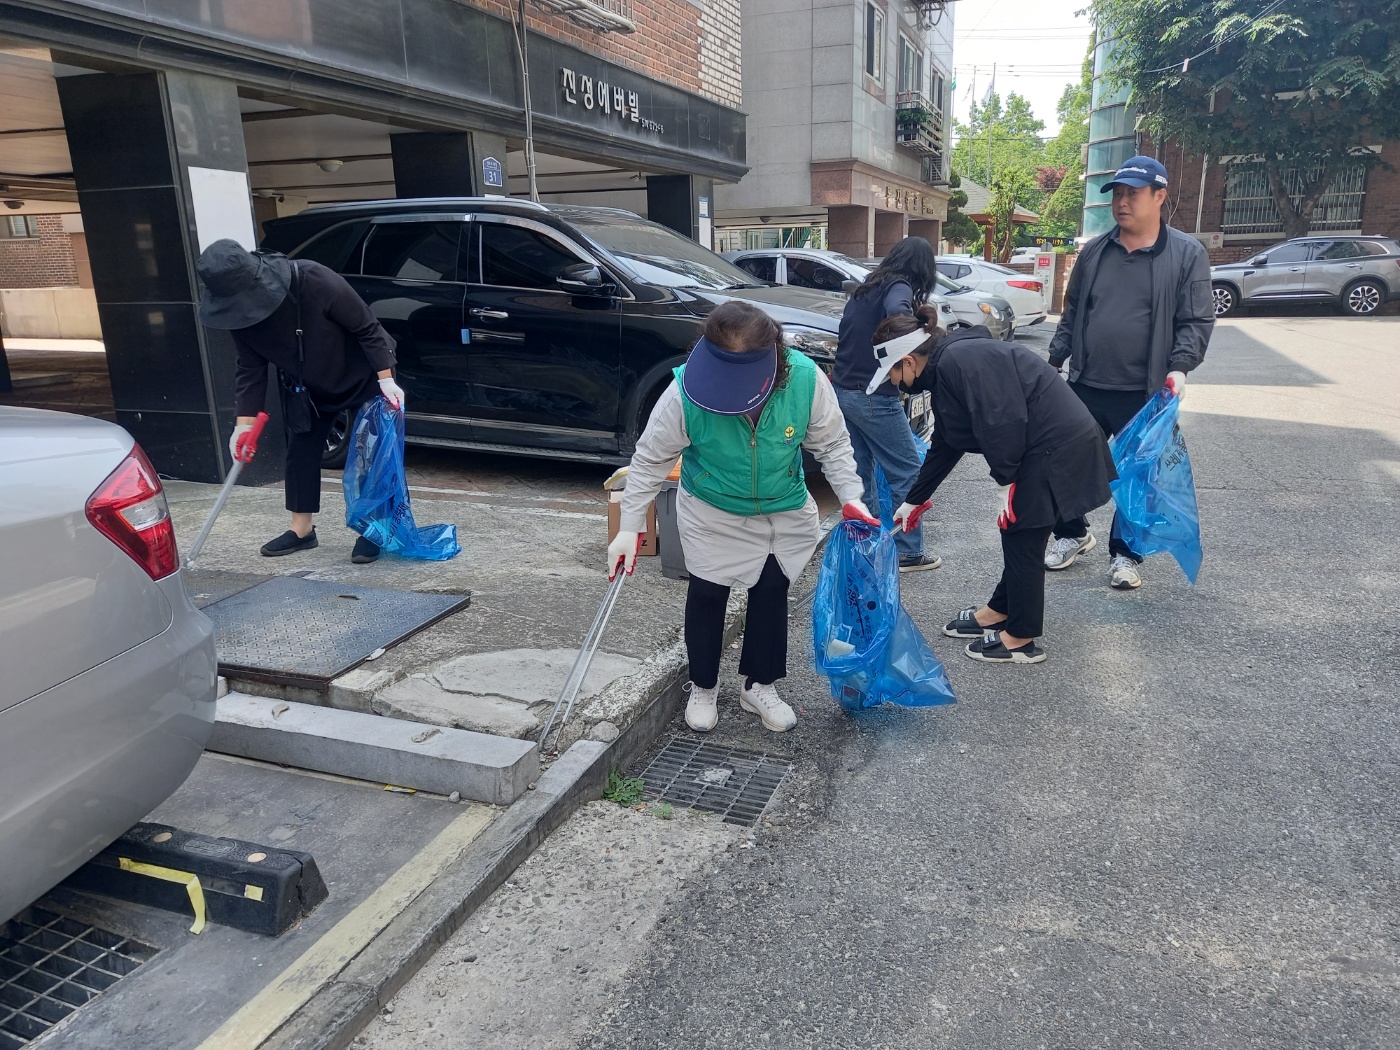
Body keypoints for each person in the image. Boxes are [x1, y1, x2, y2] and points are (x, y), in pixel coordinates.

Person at [608, 301, 875, 733]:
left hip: (782, 508)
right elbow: (650, 462)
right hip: (712, 508)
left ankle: (759, 685)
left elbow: (833, 446)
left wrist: (851, 496)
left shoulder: (805, 380)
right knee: (708, 593)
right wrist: (628, 528)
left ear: (773, 358)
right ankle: (703, 686)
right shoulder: (683, 393)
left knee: (772, 589)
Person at [875, 310, 1116, 665]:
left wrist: (1007, 479)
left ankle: (1021, 636)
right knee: (1018, 536)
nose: (896, 383)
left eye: (893, 373)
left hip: (1053, 446)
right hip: (1038, 446)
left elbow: (1003, 420)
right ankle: (1000, 609)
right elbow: (947, 442)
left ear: (908, 361)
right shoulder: (947, 366)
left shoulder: (962, 360)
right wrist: (915, 499)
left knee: (1022, 534)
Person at [1044, 156, 1215, 589]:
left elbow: (1195, 320)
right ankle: (1072, 532)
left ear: (1159, 196)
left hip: (1147, 389)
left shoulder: (1186, 254)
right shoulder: (1096, 252)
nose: (1122, 202)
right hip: (1086, 381)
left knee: (1138, 475)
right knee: (1061, 462)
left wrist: (1179, 369)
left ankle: (1125, 555)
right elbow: (1074, 310)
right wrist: (1055, 360)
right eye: (1117, 194)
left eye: (1132, 194)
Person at [196, 239, 405, 564]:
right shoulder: (240, 316)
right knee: (301, 452)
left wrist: (387, 379)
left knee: (372, 453)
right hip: (307, 387)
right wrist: (243, 426)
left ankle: (373, 529)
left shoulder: (314, 279)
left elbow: (367, 328)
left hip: (363, 376)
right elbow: (250, 369)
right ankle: (302, 530)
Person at [831, 236, 942, 572]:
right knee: (907, 469)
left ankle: (866, 546)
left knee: (859, 471)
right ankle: (907, 551)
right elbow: (898, 313)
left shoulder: (867, 288)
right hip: (874, 395)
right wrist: (917, 334)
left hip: (844, 391)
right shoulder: (899, 286)